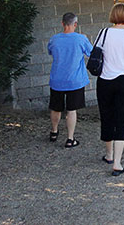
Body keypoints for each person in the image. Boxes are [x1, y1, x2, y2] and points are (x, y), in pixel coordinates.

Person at [97, 3, 124, 176]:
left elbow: (97, 54)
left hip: (105, 80)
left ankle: (108, 154)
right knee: (122, 118)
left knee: (106, 116)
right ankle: (117, 162)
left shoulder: (103, 33)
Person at [47, 12, 93, 147]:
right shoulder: (81, 39)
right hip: (75, 80)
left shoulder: (54, 39)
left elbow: (50, 52)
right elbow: (91, 53)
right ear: (75, 24)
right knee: (71, 110)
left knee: (55, 108)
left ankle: (54, 132)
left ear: (62, 23)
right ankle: (70, 138)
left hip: (57, 80)